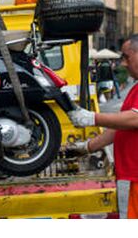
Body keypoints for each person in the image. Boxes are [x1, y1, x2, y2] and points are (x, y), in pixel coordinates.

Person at [68, 35, 138, 219]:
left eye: (126, 57)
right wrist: (87, 147)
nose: (123, 64)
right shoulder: (136, 89)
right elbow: (119, 126)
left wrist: (93, 118)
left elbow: (134, 119)